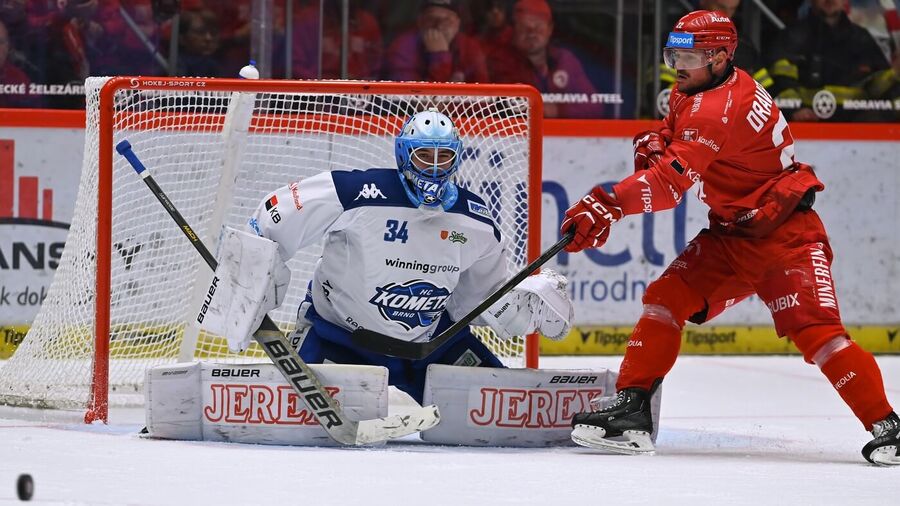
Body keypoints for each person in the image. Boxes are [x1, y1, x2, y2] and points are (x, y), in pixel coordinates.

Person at [561, 10, 899, 465]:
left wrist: (608, 201)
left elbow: (668, 184)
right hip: (732, 233)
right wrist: (657, 141)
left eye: (691, 55)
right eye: (673, 54)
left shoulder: (718, 107)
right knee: (665, 298)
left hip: (785, 236)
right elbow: (675, 141)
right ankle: (632, 413)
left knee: (820, 336)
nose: (678, 65)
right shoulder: (696, 88)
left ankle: (889, 428)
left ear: (721, 57)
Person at [201, 109, 573, 404]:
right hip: (340, 339)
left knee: (502, 410)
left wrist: (523, 306)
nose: (433, 167)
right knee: (292, 416)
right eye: (424, 155)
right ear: (403, 154)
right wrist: (245, 283)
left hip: (430, 346)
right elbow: (272, 217)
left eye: (443, 157)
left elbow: (479, 300)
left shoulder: (476, 221)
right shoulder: (356, 191)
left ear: (457, 159)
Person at [768, 0, 890, 121]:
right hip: (805, 130)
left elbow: (879, 87)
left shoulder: (862, 39)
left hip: (857, 130)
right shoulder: (791, 37)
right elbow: (780, 81)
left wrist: (895, 73)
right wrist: (794, 110)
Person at [488, 0, 603, 118]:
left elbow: (594, 106)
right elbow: (502, 108)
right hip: (518, 134)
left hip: (561, 133)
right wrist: (542, 109)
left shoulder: (565, 60)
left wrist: (557, 110)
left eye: (538, 26)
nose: (531, 33)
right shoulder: (500, 61)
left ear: (550, 29)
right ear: (513, 29)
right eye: (524, 27)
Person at [384, 0, 488, 83]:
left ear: (457, 24)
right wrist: (440, 56)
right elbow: (415, 102)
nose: (439, 26)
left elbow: (483, 100)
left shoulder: (470, 47)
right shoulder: (402, 47)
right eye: (432, 19)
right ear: (420, 21)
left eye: (447, 20)